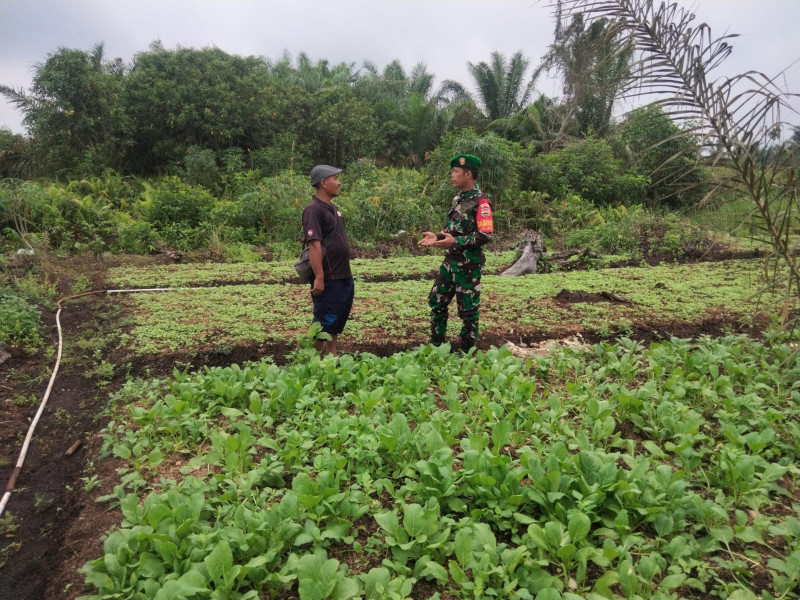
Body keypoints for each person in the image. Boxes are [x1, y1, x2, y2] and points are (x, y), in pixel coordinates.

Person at [419, 154, 493, 353]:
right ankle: (437, 345)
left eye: (456, 172)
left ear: (468, 174)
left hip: (468, 266)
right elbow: (454, 231)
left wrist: (456, 241)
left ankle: (467, 351)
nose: (452, 176)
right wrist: (437, 237)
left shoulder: (481, 203)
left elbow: (486, 235)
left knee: (468, 311)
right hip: (450, 262)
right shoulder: (458, 199)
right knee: (437, 301)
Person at [301, 164, 354, 356]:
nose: (339, 182)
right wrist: (319, 277)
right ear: (324, 183)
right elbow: (314, 244)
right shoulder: (313, 209)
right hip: (329, 277)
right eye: (335, 178)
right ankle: (307, 361)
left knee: (336, 320)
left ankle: (333, 357)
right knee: (325, 321)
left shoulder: (333, 208)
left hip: (342, 274)